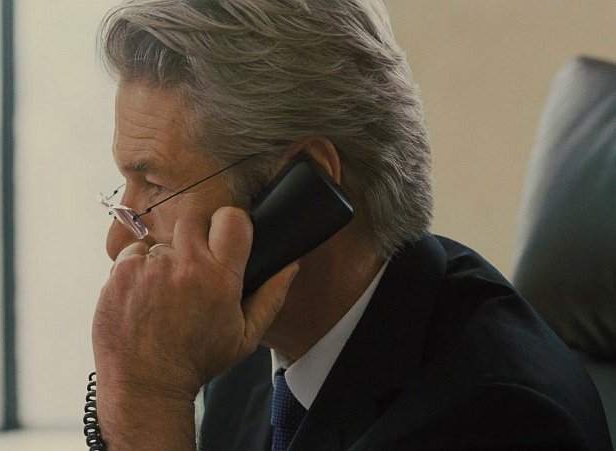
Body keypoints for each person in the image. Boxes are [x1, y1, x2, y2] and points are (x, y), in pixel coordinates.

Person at [89, 1, 612, 450]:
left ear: (302, 189)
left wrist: (147, 397)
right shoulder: (239, 351)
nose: (118, 242)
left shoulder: (498, 419)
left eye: (155, 186)